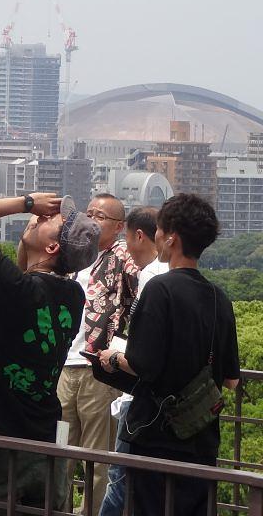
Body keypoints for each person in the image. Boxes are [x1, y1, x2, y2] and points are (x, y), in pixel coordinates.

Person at [0, 193, 99, 513]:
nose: (42, 218)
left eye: (53, 221)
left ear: (52, 248)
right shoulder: (72, 296)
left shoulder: (18, 291)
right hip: (43, 438)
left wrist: (27, 203)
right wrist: (33, 226)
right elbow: (28, 268)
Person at [97, 194, 240, 516]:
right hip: (201, 437)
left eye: (159, 230)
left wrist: (113, 359)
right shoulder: (219, 298)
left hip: (155, 437)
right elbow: (230, 380)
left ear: (171, 237)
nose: (156, 236)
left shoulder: (159, 289)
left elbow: (142, 364)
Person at [57, 193, 141, 515]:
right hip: (65, 366)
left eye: (101, 216)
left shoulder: (122, 257)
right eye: (89, 212)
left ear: (119, 227)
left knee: (96, 459)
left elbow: (141, 295)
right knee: (60, 449)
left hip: (97, 370)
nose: (92, 219)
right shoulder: (74, 257)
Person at [99, 207, 166, 516]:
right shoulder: (194, 285)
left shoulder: (153, 278)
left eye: (127, 238)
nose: (126, 248)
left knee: (119, 479)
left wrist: (113, 356)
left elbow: (142, 354)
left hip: (138, 400)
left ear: (140, 235)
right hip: (165, 405)